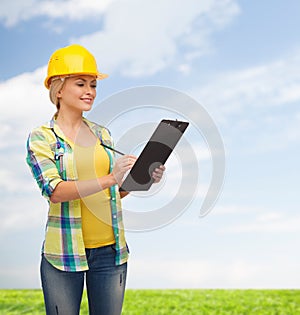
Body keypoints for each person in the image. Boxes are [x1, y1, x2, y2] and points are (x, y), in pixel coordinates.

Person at [26, 44, 165, 315]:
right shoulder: (42, 137)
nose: (90, 91)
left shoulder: (102, 135)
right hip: (64, 255)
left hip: (111, 253)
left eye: (93, 84)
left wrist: (142, 179)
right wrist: (110, 178)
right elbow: (54, 190)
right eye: (81, 84)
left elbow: (113, 192)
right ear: (59, 88)